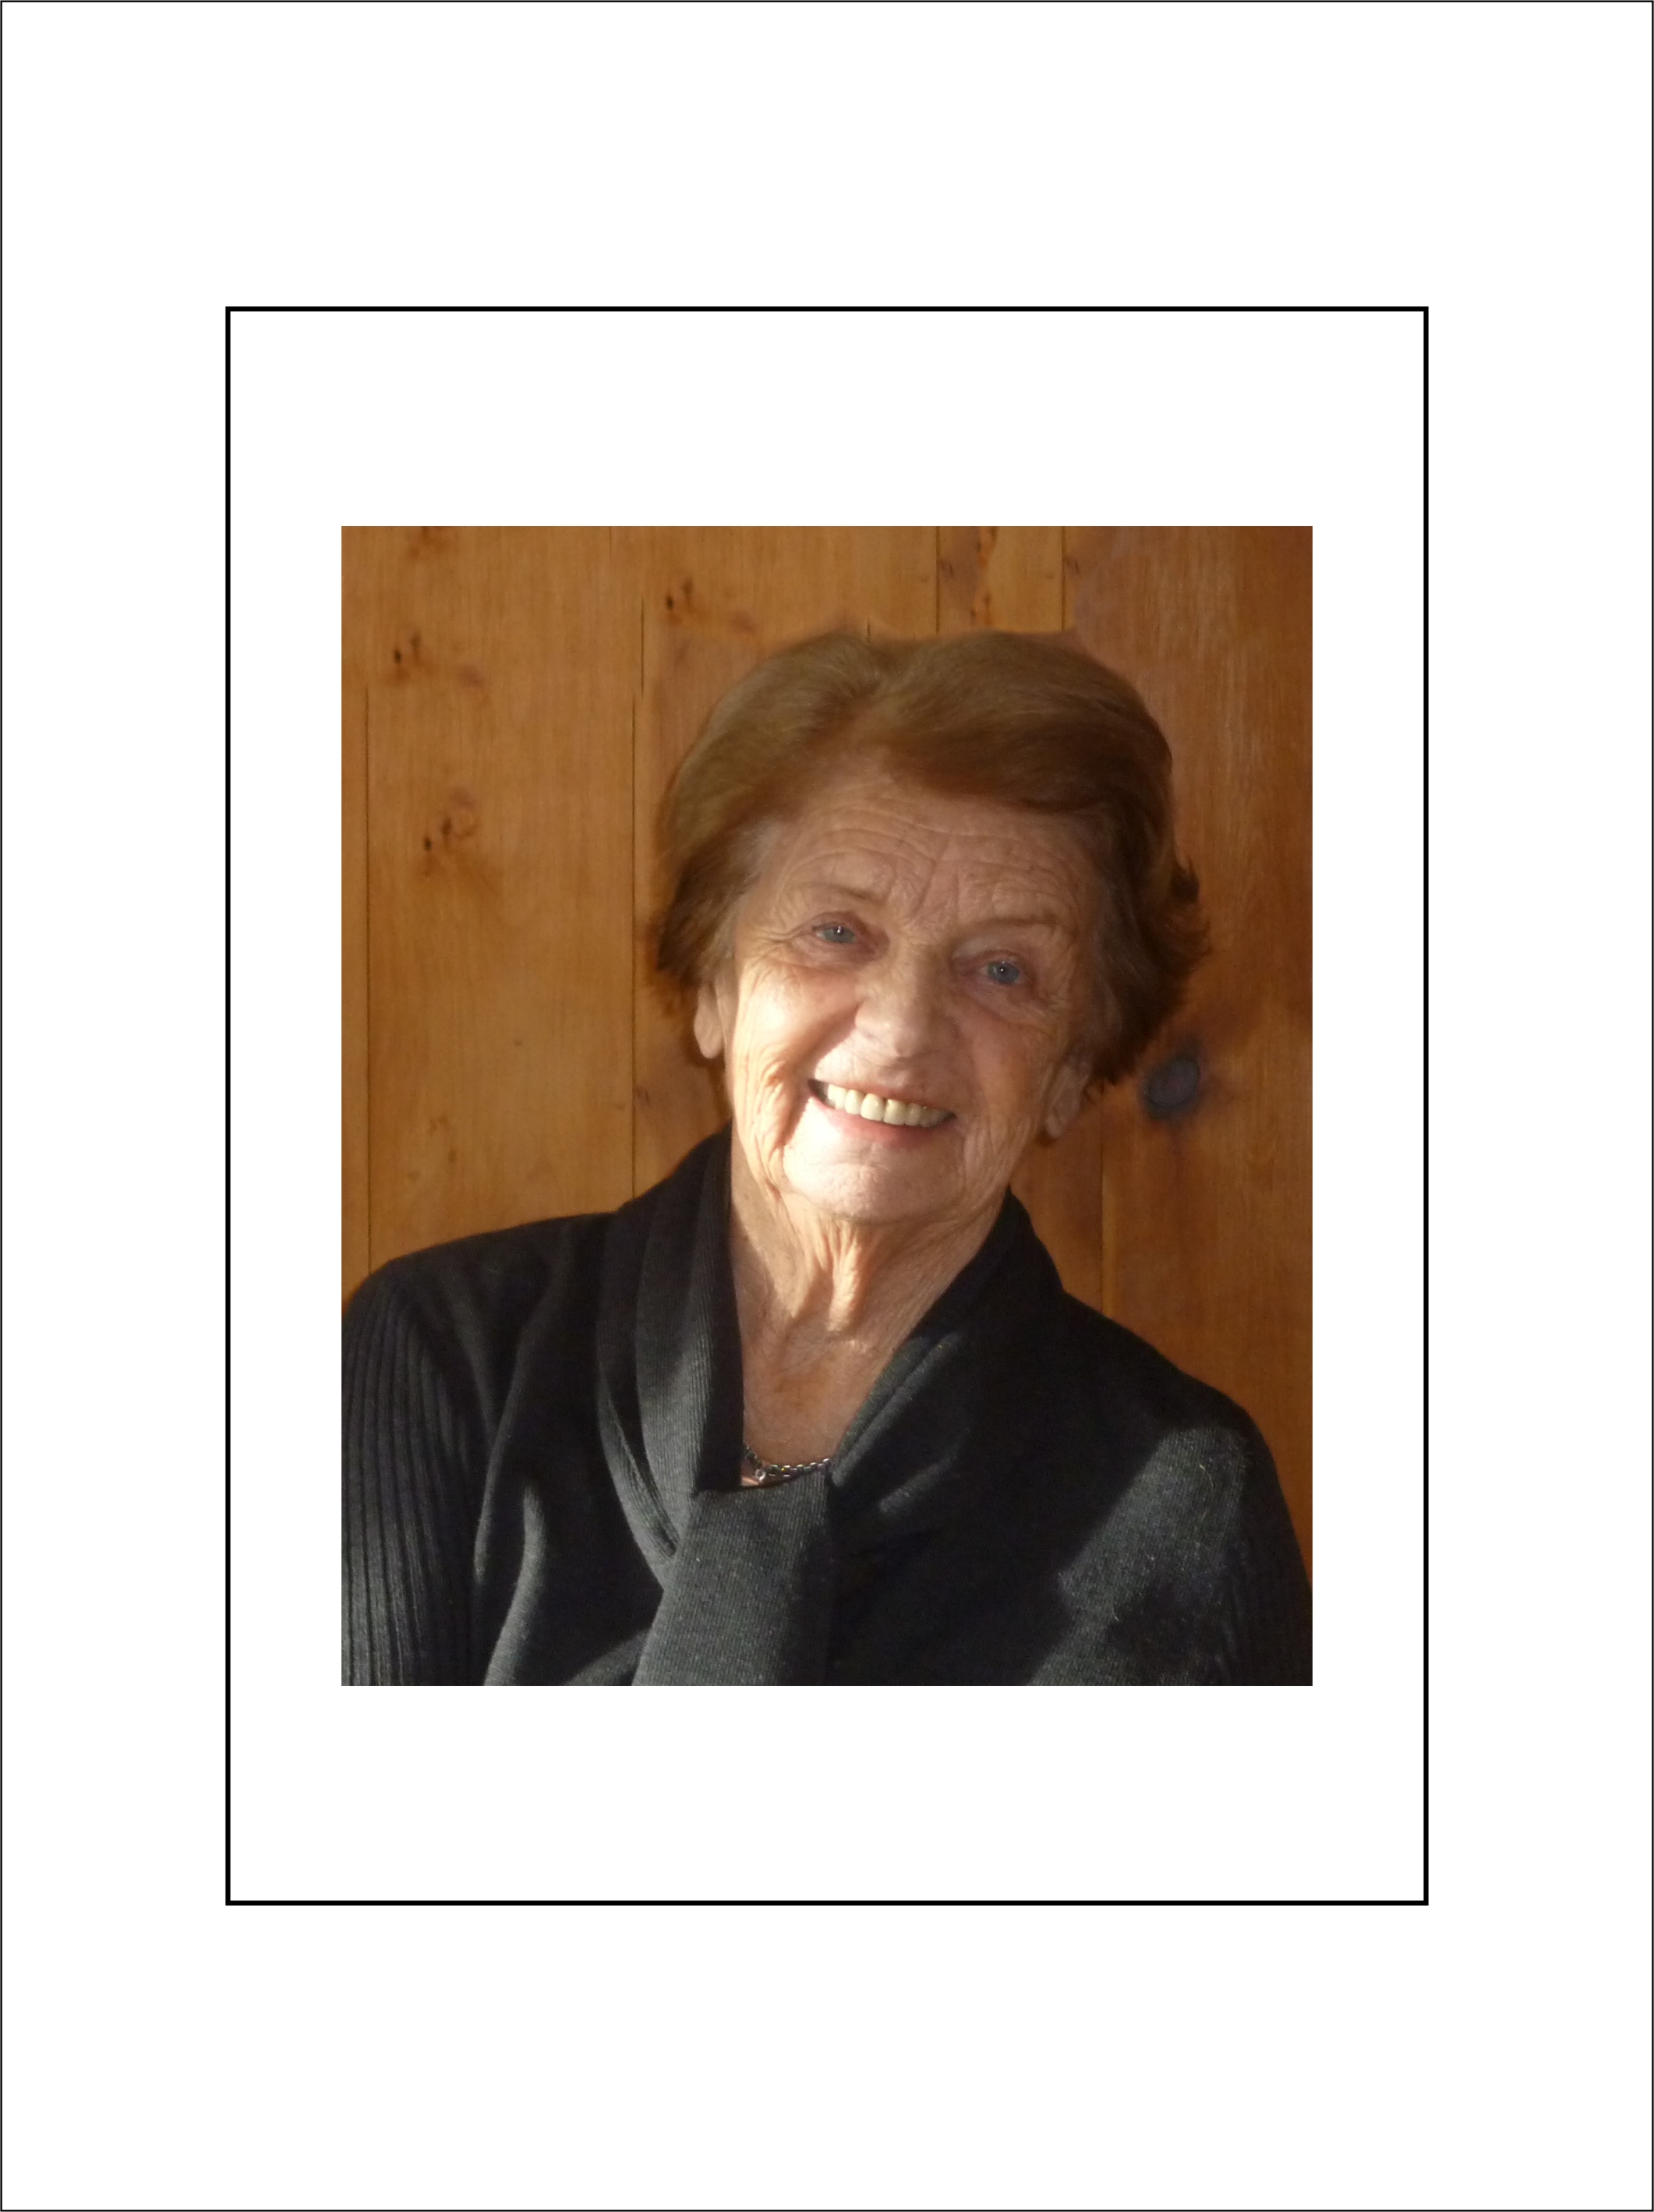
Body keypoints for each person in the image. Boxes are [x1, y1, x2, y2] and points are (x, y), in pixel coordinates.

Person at [343, 629, 1311, 1684]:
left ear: (1073, 1069)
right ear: (713, 989)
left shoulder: (1184, 1510)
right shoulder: (443, 1363)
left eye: (1000, 968)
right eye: (837, 933)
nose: (902, 1029)